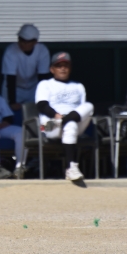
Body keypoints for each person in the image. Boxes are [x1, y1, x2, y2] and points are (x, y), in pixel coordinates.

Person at [35, 52, 94, 181]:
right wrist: (57, 116)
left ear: (70, 68)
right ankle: (71, 167)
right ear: (52, 69)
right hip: (49, 126)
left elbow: (82, 110)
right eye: (59, 66)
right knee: (70, 123)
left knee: (89, 106)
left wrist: (65, 119)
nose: (63, 68)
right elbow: (41, 106)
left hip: (72, 124)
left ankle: (71, 168)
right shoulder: (45, 84)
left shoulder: (78, 86)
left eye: (66, 66)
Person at [1, 23, 51, 113]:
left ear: (35, 42)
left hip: (33, 88)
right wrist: (12, 102)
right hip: (15, 88)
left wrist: (42, 99)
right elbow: (10, 78)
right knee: (8, 114)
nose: (22, 43)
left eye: (26, 41)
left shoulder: (42, 51)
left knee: (35, 115)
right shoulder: (11, 51)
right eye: (21, 39)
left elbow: (43, 78)